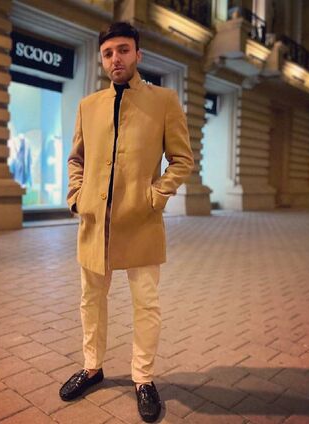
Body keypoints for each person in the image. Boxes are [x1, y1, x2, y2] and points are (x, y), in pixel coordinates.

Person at [59, 21, 193, 423]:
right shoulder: (88, 106)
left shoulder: (164, 101)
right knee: (90, 300)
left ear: (138, 54)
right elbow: (77, 159)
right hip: (94, 223)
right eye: (108, 53)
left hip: (141, 222)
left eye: (123, 50)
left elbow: (182, 160)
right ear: (102, 60)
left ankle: (143, 378)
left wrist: (155, 195)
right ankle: (92, 367)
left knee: (145, 304)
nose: (115, 58)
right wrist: (76, 198)